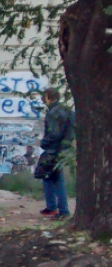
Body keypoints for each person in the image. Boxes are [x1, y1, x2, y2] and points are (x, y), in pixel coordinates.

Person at [38, 87, 74, 220]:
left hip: (53, 149)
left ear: (48, 97)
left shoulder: (53, 113)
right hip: (63, 149)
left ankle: (61, 210)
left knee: (53, 178)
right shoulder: (68, 111)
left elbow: (53, 133)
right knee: (51, 178)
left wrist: (44, 143)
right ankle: (53, 207)